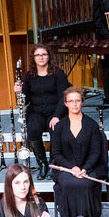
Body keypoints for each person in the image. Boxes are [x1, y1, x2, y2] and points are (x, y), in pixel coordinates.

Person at [50, 87, 109, 217]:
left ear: (82, 102)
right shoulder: (60, 127)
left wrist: (85, 169)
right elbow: (56, 154)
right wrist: (72, 168)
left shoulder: (91, 125)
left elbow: (96, 152)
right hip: (66, 169)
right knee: (68, 183)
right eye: (71, 101)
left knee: (84, 183)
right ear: (65, 103)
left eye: (78, 101)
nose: (75, 104)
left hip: (90, 167)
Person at [18, 44, 71, 177]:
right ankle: (42, 163)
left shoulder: (58, 73)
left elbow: (64, 96)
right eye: (38, 55)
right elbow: (26, 97)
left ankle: (54, 163)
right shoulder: (29, 76)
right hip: (37, 111)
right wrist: (19, 91)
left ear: (49, 56)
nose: (41, 57)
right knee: (32, 129)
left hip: (55, 111)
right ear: (33, 58)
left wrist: (57, 115)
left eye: (44, 54)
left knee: (55, 128)